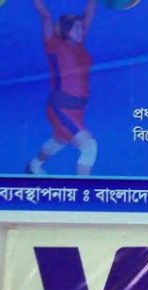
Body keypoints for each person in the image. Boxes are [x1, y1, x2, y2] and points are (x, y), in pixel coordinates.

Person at [28, 0, 98, 176]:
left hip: (77, 109)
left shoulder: (79, 45)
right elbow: (45, 15)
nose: (82, 31)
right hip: (61, 108)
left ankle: (33, 167)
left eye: (82, 28)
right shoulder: (54, 45)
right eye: (77, 28)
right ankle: (82, 194)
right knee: (89, 147)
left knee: (60, 140)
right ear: (66, 32)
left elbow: (90, 10)